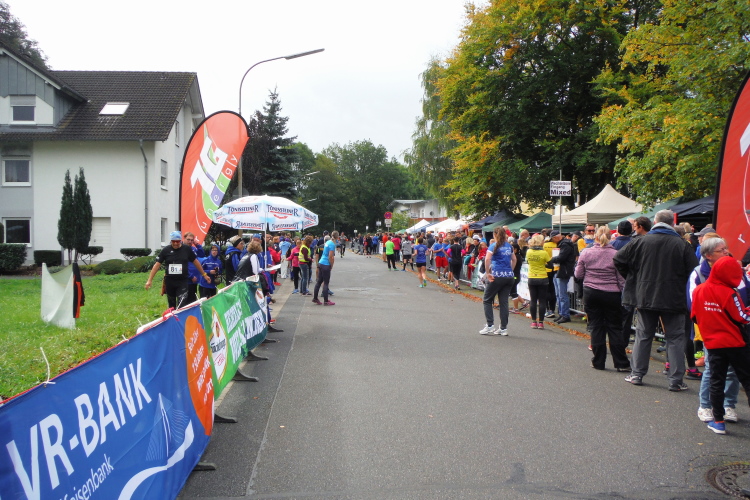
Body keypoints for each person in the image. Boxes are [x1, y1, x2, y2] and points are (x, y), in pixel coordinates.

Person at [614, 210, 698, 391]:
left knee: (643, 335)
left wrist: (634, 278)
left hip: (646, 294)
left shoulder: (640, 241)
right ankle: (676, 380)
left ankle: (637, 374)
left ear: (655, 222)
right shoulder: (682, 244)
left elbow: (618, 259)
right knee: (675, 338)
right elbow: (693, 271)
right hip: (674, 297)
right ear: (672, 223)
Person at [691, 255, 750, 434]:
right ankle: (727, 409)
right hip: (735, 343)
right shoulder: (729, 293)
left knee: (716, 381)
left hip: (713, 343)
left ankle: (718, 421)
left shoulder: (699, 290)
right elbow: (742, 317)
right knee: (746, 380)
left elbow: (694, 315)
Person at [575, 226, 628, 371]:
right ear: (610, 237)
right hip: (612, 293)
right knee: (615, 328)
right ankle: (621, 363)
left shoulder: (586, 252)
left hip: (591, 292)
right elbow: (621, 279)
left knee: (596, 327)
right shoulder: (616, 254)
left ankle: (598, 362)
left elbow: (578, 274)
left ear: (596, 237)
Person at [145, 231, 211, 310]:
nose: (176, 243)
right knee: (172, 305)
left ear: (180, 240)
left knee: (181, 304)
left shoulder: (186, 249)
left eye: (178, 241)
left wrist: (204, 275)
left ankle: (181, 317)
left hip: (182, 281)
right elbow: (157, 265)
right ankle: (173, 317)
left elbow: (196, 262)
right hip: (170, 281)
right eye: (174, 241)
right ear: (171, 241)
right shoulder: (166, 250)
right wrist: (149, 280)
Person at [479, 227, 516, 336]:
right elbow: (514, 259)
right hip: (508, 276)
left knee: (487, 299)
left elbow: (487, 259)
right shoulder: (509, 246)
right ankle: (503, 328)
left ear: (495, 235)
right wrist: (510, 270)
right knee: (504, 302)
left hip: (497, 275)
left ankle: (490, 325)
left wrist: (488, 273)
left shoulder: (493, 245)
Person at [548, 230, 576, 324]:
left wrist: (551, 259)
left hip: (563, 271)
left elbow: (561, 257)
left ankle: (565, 314)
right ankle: (562, 313)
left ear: (555, 237)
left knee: (562, 294)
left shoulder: (565, 245)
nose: (552, 241)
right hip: (560, 270)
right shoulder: (564, 244)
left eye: (552, 239)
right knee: (559, 294)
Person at [525, 234, 551, 329]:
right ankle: (541, 322)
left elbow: (528, 262)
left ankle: (533, 322)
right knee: (542, 301)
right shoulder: (544, 253)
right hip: (542, 277)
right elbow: (550, 265)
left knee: (533, 300)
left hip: (532, 277)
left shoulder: (529, 251)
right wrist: (543, 265)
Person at [313, 230, 337, 305]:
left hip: (321, 262)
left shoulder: (327, 242)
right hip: (326, 264)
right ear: (337, 237)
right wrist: (331, 265)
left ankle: (315, 298)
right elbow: (331, 256)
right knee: (326, 283)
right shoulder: (332, 244)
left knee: (319, 282)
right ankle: (326, 301)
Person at [183, 232, 205, 304]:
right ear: (184, 239)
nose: (190, 241)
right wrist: (191, 276)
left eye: (191, 240)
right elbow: (183, 265)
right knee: (186, 300)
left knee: (193, 299)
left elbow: (201, 254)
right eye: (188, 239)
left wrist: (197, 245)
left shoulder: (193, 249)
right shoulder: (182, 249)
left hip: (195, 279)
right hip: (187, 279)